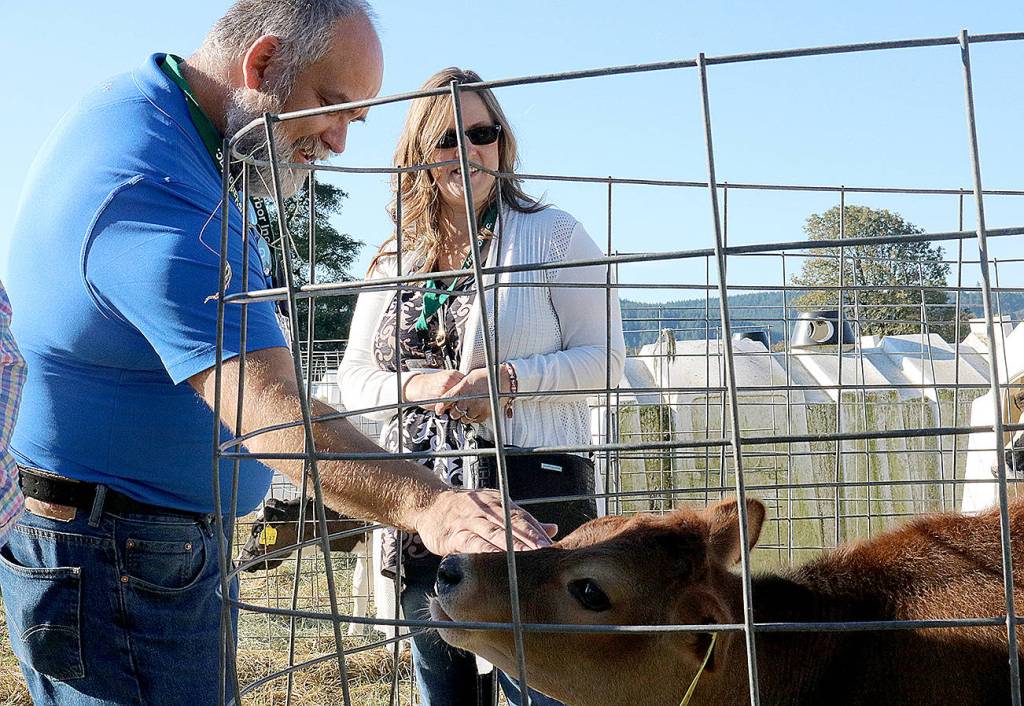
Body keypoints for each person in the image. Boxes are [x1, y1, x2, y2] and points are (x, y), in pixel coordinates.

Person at [0, 3, 552, 705]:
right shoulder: (161, 199)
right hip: (116, 557)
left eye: (356, 119)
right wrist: (432, 507)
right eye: (331, 106)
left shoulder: (162, 117)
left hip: (133, 542)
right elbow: (274, 418)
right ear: (260, 66)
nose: (340, 142)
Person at [338, 67, 626, 706]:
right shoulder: (393, 259)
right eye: (445, 137)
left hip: (532, 487)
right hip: (424, 498)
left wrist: (510, 381)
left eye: (482, 132)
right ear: (418, 151)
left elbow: (608, 362)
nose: (466, 150)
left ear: (503, 143)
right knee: (444, 689)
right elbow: (354, 379)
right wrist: (418, 385)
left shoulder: (554, 237)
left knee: (542, 684)